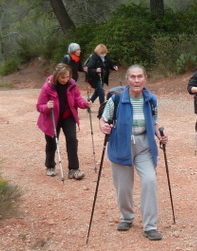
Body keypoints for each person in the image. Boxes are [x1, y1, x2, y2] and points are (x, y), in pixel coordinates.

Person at [99, 65, 168, 241]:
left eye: (139, 77)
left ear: (145, 79)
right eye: (133, 77)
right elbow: (104, 119)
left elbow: (154, 122)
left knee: (149, 180)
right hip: (121, 143)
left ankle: (150, 226)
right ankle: (127, 217)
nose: (136, 80)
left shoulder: (151, 100)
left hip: (144, 144)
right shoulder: (115, 99)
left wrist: (160, 134)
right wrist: (104, 127)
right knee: (123, 187)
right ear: (127, 79)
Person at [36, 63, 91, 179]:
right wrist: (47, 106)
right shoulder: (47, 87)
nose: (65, 80)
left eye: (67, 77)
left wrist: (84, 104)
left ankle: (74, 169)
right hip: (52, 118)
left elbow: (77, 99)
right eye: (62, 77)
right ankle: (50, 166)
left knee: (72, 140)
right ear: (57, 76)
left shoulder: (72, 84)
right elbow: (39, 106)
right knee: (51, 143)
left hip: (67, 116)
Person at [84, 43, 118, 112]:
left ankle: (88, 103)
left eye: (104, 52)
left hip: (102, 77)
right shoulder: (94, 58)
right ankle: (102, 108)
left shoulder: (106, 57)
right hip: (93, 78)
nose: (103, 54)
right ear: (98, 52)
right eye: (101, 52)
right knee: (101, 91)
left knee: (97, 92)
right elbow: (88, 68)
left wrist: (114, 67)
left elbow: (110, 64)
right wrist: (95, 70)